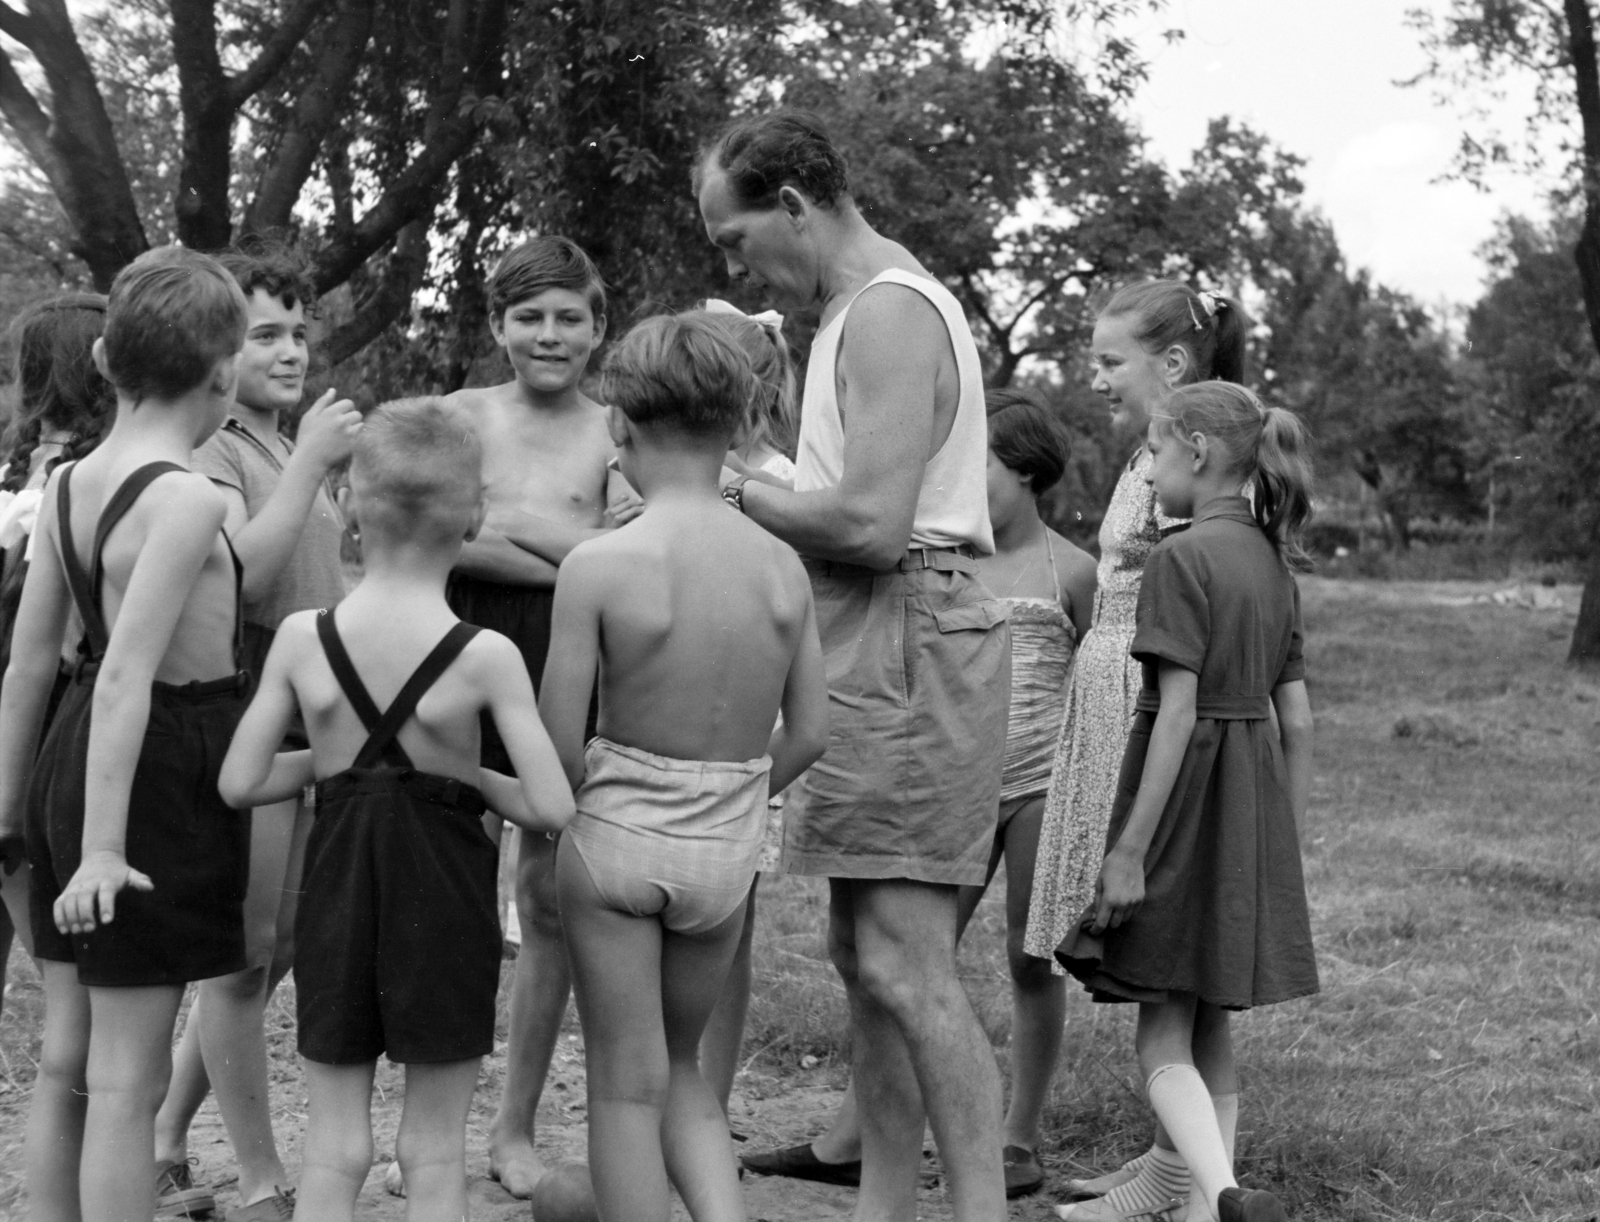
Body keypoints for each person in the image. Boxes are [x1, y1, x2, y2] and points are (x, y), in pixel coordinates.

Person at [697, 110, 1012, 1222]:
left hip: (906, 628)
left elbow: (875, 524)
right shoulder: (854, 313)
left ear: (791, 205)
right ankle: (883, 1202)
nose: (736, 266)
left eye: (737, 240)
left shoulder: (885, 310)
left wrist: (728, 490)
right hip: (875, 630)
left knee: (904, 959)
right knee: (863, 951)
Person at [217, 396, 576, 1222]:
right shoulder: (486, 654)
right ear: (476, 516)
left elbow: (240, 781)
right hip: (444, 912)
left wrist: (342, 768)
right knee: (433, 1150)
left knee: (337, 1147)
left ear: (345, 504)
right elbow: (552, 804)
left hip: (339, 907)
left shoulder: (307, 638)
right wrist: (467, 781)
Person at [740, 389, 1097, 1198]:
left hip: (1037, 780)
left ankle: (1017, 1135)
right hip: (948, 771)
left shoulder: (1070, 569)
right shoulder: (947, 560)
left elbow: (1099, 683)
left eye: (982, 469)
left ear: (1031, 475)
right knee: (898, 956)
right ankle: (854, 1134)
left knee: (1027, 956)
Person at [541, 311, 828, 1222]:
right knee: (684, 1071)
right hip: (725, 853)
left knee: (625, 1088)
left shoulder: (599, 564)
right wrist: (732, 798)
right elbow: (812, 731)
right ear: (743, 423)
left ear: (619, 425)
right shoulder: (784, 566)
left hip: (617, 843)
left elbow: (555, 751)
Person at [0, 245, 252, 1222]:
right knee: (125, 1080)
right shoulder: (185, 495)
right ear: (224, 369)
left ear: (105, 361)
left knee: (71, 1053)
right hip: (143, 781)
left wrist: (12, 811)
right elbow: (128, 678)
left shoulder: (65, 484)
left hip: (65, 760)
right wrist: (103, 849)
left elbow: (30, 666)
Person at [1053, 380, 1318, 1222]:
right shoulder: (1272, 562)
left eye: (1157, 455)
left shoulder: (1180, 557)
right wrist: (1284, 838)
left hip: (1184, 807)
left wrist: (1128, 852)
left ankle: (1227, 1193)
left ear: (1197, 450)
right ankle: (1205, 1211)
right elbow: (1298, 718)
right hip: (1249, 809)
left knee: (1162, 1029)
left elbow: (1173, 714)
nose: (1152, 473)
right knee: (1210, 1017)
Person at [1022, 280, 1248, 1218]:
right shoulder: (1149, 459)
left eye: (1111, 360)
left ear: (1173, 367)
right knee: (1168, 969)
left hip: (1147, 698)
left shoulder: (1193, 473)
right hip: (1114, 687)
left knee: (1165, 953)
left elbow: (1206, 591)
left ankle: (1194, 1180)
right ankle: (1173, 1164)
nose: (1096, 376)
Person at [154, 242, 360, 1222]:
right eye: (260, 335)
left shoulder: (282, 444)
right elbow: (245, 573)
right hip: (245, 726)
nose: (287, 352)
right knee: (241, 960)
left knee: (270, 951)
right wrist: (317, 459)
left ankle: (163, 1134)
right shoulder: (221, 448)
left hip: (313, 723)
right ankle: (263, 1177)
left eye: (295, 332)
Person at [438, 234, 638, 1198]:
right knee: (437, 878)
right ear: (496, 326)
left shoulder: (618, 430)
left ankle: (513, 1128)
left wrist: (502, 528)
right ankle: (427, 1128)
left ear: (598, 326)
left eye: (569, 317)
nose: (549, 335)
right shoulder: (456, 417)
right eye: (529, 318)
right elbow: (433, 537)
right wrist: (566, 545)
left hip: (570, 656)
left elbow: (626, 554)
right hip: (449, 646)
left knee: (548, 894)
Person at [692, 299, 800, 1118]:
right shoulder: (670, 476)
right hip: (668, 705)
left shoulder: (788, 487)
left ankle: (711, 1097)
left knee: (730, 924)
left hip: (750, 727)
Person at [0, 294, 116, 994]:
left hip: (17, 708)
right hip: (42, 723)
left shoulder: (23, 474)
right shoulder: (85, 482)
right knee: (66, 974)